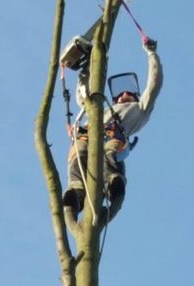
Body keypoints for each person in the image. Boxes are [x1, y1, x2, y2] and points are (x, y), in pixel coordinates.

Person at [63, 39, 163, 224]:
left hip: (113, 136)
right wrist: (86, 71)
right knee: (79, 157)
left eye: (129, 93)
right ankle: (76, 195)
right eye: (120, 94)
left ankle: (112, 183)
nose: (124, 95)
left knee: (109, 154)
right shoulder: (102, 108)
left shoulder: (140, 107)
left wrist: (151, 54)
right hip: (88, 133)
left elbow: (154, 85)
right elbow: (84, 97)